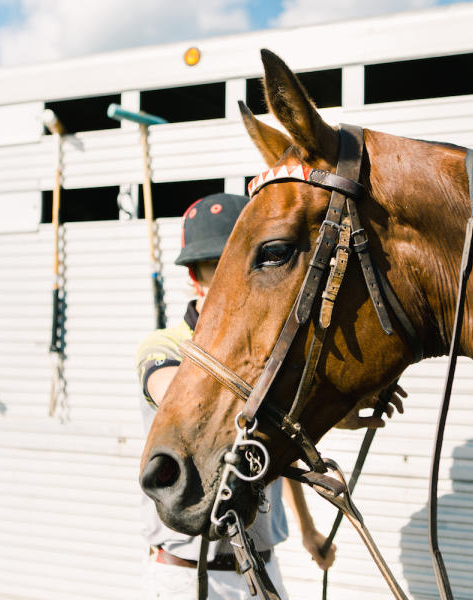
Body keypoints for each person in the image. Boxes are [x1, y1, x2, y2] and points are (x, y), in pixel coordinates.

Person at [135, 193, 335, 600]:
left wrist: (308, 530)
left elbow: (272, 448)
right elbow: (184, 399)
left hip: (262, 568)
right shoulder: (166, 345)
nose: (234, 285)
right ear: (194, 275)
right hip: (187, 576)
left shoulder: (263, 356)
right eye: (218, 269)